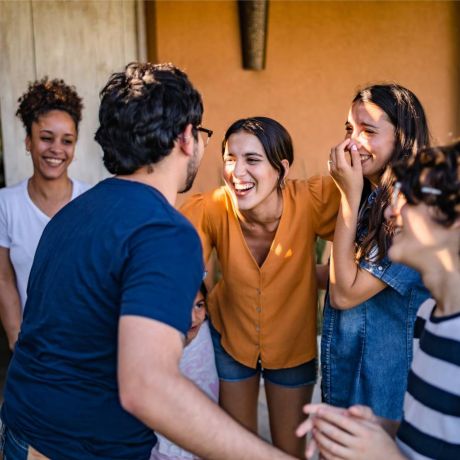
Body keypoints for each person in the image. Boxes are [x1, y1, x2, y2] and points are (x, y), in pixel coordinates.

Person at [0, 62, 298, 460]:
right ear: (187, 137)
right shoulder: (165, 232)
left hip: (20, 434)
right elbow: (148, 388)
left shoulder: (71, 213)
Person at [181, 116, 340, 457]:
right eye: (229, 159)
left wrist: (308, 275)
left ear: (281, 168)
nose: (237, 173)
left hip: (292, 344)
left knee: (289, 449)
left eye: (252, 160)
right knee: (235, 449)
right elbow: (178, 267)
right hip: (230, 338)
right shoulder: (211, 206)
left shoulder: (312, 199)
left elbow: (361, 228)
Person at [297, 141, 460, 460]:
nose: (388, 210)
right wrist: (375, 428)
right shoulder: (430, 317)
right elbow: (432, 434)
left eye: (408, 199)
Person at [321, 84, 431, 420]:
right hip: (349, 376)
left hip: (384, 394)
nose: (352, 142)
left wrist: (347, 198)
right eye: (349, 130)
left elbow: (345, 294)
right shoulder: (373, 198)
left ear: (402, 137)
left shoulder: (410, 207)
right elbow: (340, 273)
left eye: (368, 131)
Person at [0, 77, 90, 350]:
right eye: (46, 138)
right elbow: (3, 279)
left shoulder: (90, 201)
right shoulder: (6, 204)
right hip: (34, 348)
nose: (56, 150)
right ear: (28, 141)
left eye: (67, 141)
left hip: (88, 346)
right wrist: (19, 343)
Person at [151, 283, 219, 460]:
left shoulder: (203, 332)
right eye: (182, 307)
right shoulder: (155, 344)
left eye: (199, 305)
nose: (193, 317)